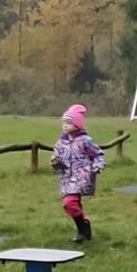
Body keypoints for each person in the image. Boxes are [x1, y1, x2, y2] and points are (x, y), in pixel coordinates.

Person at [51, 103, 106, 243]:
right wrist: (55, 162)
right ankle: (84, 226)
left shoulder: (85, 141)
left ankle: (81, 230)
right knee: (73, 205)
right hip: (67, 178)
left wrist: (97, 166)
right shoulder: (60, 143)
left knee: (69, 203)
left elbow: (98, 154)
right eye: (64, 122)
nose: (65, 126)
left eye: (69, 123)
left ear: (77, 125)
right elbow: (57, 158)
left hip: (82, 176)